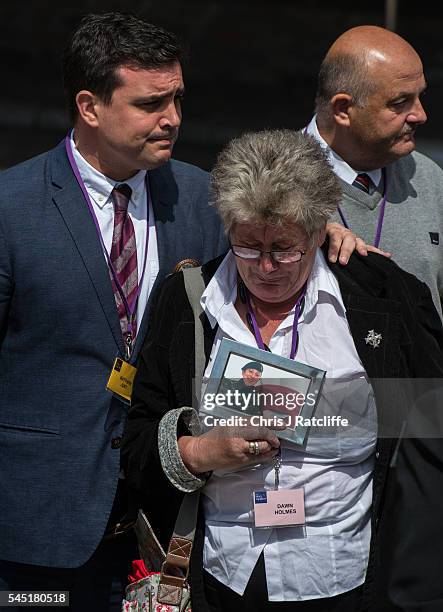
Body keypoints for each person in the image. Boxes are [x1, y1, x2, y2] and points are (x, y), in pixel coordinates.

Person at [122, 130, 443, 611]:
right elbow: (137, 441)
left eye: (286, 248)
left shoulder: (383, 298)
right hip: (221, 577)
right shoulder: (188, 303)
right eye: (248, 246)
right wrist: (201, 450)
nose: (266, 267)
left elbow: (430, 430)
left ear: (320, 230)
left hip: (345, 578)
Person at [0, 12, 227, 610]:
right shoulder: (11, 209)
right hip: (38, 525)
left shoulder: (207, 202)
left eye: (177, 98)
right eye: (152, 102)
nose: (173, 117)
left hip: (167, 520)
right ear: (90, 106)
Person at [307, 25, 443, 319]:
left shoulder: (428, 178)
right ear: (343, 109)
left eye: (420, 96)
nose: (420, 115)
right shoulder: (268, 179)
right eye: (400, 102)